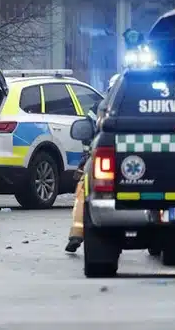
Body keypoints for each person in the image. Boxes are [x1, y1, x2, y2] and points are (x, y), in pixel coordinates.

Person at [65, 74, 114, 252]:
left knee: (83, 191)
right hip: (136, 164)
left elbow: (87, 132)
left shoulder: (99, 107)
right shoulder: (142, 104)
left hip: (100, 158)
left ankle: (77, 233)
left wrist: (86, 156)